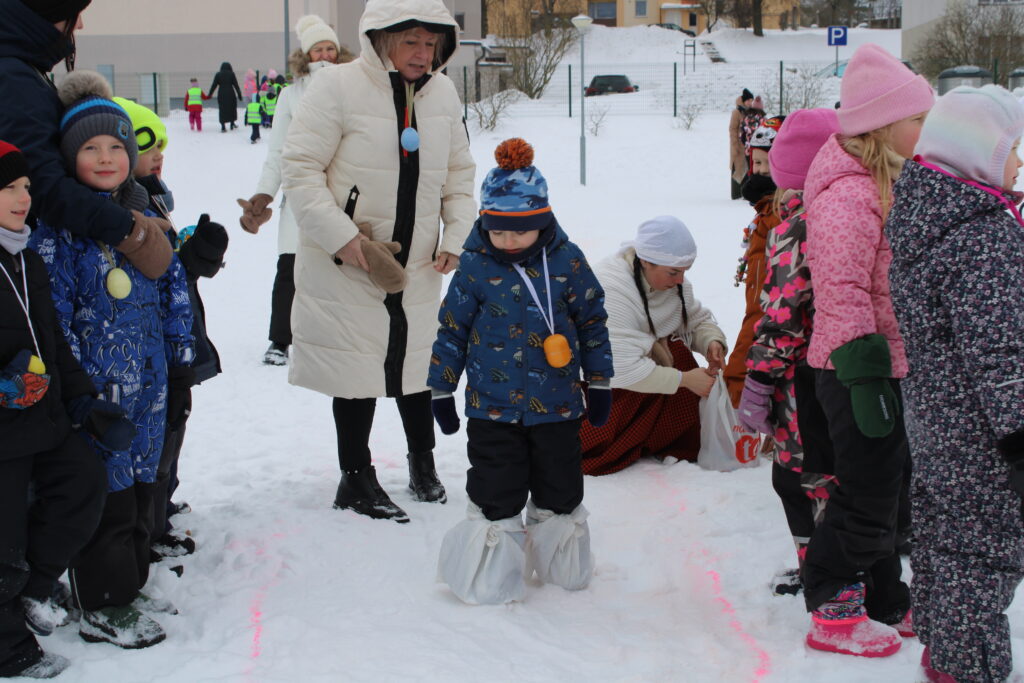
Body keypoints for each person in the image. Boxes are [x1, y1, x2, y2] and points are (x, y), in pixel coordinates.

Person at [280, 0, 476, 522]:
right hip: (350, 262)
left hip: (418, 263)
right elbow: (300, 170)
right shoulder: (337, 87)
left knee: (416, 363)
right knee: (356, 370)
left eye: (431, 42)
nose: (422, 53)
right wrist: (345, 240)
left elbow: (459, 175)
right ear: (380, 38)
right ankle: (355, 478)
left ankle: (422, 463)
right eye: (411, 41)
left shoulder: (443, 94)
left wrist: (456, 235)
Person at [30, 72, 193, 650]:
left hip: (150, 381)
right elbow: (52, 317)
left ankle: (130, 580)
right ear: (68, 158)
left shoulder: (144, 219)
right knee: (109, 492)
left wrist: (180, 356)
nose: (105, 158)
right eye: (90, 149)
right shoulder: (61, 230)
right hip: (100, 394)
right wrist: (77, 390)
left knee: (146, 485)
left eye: (116, 147)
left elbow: (174, 289)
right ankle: (103, 600)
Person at [429, 138, 613, 605]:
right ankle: (490, 577)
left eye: (520, 232)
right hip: (491, 409)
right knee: (496, 490)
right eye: (498, 232)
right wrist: (441, 389)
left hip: (557, 406)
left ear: (542, 221)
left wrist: (599, 381)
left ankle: (559, 566)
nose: (508, 242)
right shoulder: (474, 265)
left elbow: (592, 322)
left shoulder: (567, 262)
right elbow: (452, 330)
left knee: (560, 488)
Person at [887, 85, 1024, 683]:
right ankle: (969, 668)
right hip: (984, 432)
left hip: (935, 419)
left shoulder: (925, 215)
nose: (1019, 161)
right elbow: (1002, 351)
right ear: (978, 154)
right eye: (1011, 149)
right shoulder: (984, 236)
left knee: (946, 540)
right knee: (985, 554)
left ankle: (946, 649)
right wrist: (1019, 437)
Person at [799, 43, 932, 658]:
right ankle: (830, 596)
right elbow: (843, 288)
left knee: (892, 489)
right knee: (867, 492)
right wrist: (866, 374)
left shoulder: (888, 183)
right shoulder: (848, 195)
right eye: (919, 118)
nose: (927, 129)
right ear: (882, 127)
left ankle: (883, 595)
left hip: (889, 364)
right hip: (856, 370)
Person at [0, 140, 116, 679]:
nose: (23, 197)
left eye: (25, 186)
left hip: (42, 417)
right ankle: (9, 650)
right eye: (7, 187)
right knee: (4, 542)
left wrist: (83, 399)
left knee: (84, 482)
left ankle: (36, 590)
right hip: (4, 430)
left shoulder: (25, 258)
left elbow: (54, 343)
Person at [115, 97, 228, 561]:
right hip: (151, 347)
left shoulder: (155, 196)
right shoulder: (125, 209)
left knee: (173, 430)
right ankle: (149, 526)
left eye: (162, 144)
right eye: (148, 146)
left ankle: (160, 510)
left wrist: (200, 253)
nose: (159, 154)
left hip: (176, 340)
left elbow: (174, 272)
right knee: (155, 440)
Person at [737, 108, 841, 597]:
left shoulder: (796, 228)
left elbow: (783, 319)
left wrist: (757, 382)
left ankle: (823, 574)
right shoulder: (856, 208)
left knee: (801, 477)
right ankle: (839, 570)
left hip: (803, 380)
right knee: (836, 473)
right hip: (846, 372)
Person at [0, 0, 173, 282]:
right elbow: (43, 184)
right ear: (49, 12)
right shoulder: (13, 78)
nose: (79, 24)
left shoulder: (22, 68)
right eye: (75, 13)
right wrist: (128, 230)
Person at [239, 14, 352, 366]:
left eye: (330, 48)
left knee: (342, 270)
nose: (325, 55)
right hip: (301, 196)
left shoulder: (354, 87)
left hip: (344, 195)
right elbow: (279, 152)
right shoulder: (290, 96)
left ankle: (337, 338)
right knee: (291, 267)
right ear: (306, 55)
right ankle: (280, 340)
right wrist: (264, 194)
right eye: (318, 49)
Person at [578, 216, 727, 475]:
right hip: (602, 384)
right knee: (590, 451)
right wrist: (685, 380)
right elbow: (618, 367)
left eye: (684, 272)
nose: (680, 280)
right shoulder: (611, 289)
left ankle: (661, 437)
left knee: (676, 350)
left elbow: (695, 320)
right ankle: (619, 440)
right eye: (674, 272)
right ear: (645, 261)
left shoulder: (672, 285)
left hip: (640, 371)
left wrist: (711, 342)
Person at [723, 115, 784, 407]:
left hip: (766, 356)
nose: (757, 171)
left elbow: (761, 312)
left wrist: (735, 379)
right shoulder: (765, 214)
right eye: (755, 163)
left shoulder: (776, 219)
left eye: (764, 163)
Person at [728, 89, 764, 199]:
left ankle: (745, 192)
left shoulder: (751, 112)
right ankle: (736, 194)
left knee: (748, 169)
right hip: (738, 145)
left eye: (751, 100)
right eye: (748, 100)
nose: (749, 102)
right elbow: (733, 129)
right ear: (743, 101)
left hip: (748, 145)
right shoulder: (737, 112)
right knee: (738, 168)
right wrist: (735, 143)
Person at [208, 62, 242, 132]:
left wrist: (210, 94)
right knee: (232, 108)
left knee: (222, 109)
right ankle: (232, 123)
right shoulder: (232, 74)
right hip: (230, 93)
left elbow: (214, 85)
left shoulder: (218, 74)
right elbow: (236, 85)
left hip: (222, 93)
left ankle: (223, 126)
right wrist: (239, 95)